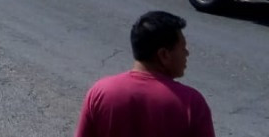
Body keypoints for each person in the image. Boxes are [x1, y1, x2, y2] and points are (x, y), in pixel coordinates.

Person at [73, 11, 214, 137]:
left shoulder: (100, 93)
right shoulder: (191, 103)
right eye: (183, 48)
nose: (187, 53)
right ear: (164, 55)